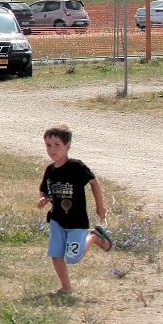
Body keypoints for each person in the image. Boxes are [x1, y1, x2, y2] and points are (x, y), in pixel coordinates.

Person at [35, 125, 113, 295]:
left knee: (72, 256)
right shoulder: (50, 170)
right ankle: (66, 287)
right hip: (57, 219)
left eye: (57, 145)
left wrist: (100, 206)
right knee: (56, 253)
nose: (52, 149)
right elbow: (44, 189)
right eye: (48, 145)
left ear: (67, 145)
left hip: (77, 220)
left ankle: (93, 236)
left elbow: (94, 183)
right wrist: (42, 198)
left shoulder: (76, 166)